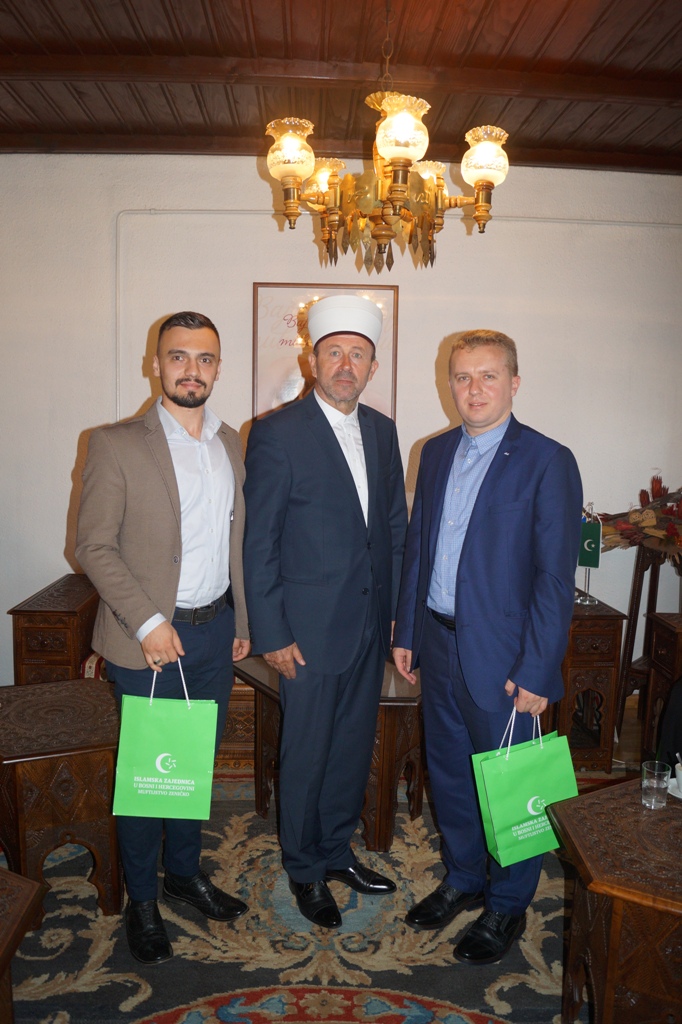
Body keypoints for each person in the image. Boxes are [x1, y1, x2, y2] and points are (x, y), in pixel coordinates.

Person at [393, 329, 581, 965]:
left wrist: (538, 669)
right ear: (450, 383)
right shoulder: (436, 451)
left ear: (514, 383)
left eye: (488, 376)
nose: (474, 389)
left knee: (511, 783)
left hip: (505, 660)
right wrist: (407, 632)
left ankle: (507, 904)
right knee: (450, 774)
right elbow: (419, 548)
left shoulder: (548, 460)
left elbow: (554, 579)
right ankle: (464, 876)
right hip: (437, 643)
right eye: (463, 377)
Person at [76, 311, 251, 965]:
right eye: (178, 357)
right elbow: (92, 546)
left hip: (215, 633)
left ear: (217, 368)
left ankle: (183, 874)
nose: (191, 370)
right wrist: (149, 623)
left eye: (204, 358)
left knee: (193, 765)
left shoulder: (232, 443)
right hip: (147, 640)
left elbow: (237, 540)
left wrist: (242, 624)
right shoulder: (116, 443)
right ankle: (143, 900)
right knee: (149, 776)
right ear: (156, 365)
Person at [243, 294, 408, 929]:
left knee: (350, 748)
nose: (345, 364)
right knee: (307, 752)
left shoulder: (383, 431)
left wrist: (395, 617)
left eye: (357, 354)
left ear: (372, 367)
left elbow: (393, 529)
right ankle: (304, 867)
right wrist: (272, 632)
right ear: (312, 362)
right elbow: (260, 543)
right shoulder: (277, 433)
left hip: (367, 626)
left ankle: (337, 850)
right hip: (305, 633)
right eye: (334, 352)